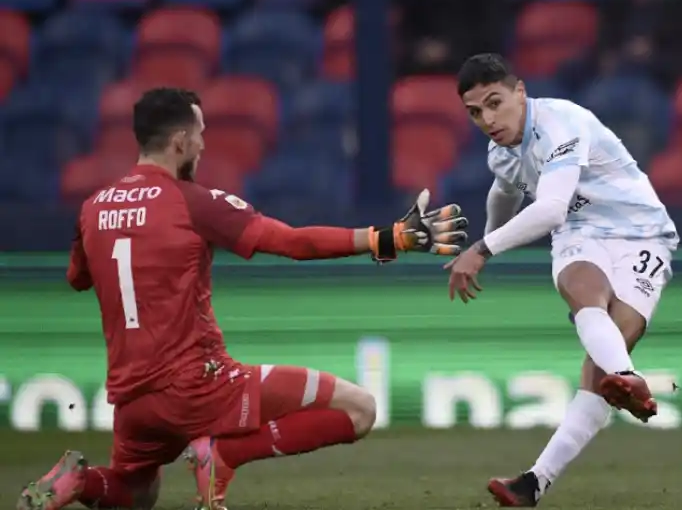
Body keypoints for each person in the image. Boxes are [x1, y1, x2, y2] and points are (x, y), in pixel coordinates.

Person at [17, 88, 469, 510]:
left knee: (138, 492)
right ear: (179, 141)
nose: (203, 145)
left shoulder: (94, 206)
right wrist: (385, 239)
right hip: (198, 386)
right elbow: (293, 243)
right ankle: (224, 453)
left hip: (132, 400)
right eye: (199, 135)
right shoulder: (191, 201)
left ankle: (78, 481)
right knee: (359, 409)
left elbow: (77, 279)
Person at [445, 54, 678, 507]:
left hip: (644, 232)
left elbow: (550, 207)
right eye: (475, 112)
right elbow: (505, 191)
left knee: (599, 367)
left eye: (495, 103)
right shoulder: (502, 152)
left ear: (520, 92)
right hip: (580, 234)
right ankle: (628, 381)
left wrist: (480, 251)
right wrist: (489, 242)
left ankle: (535, 481)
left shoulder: (562, 122)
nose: (488, 119)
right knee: (584, 292)